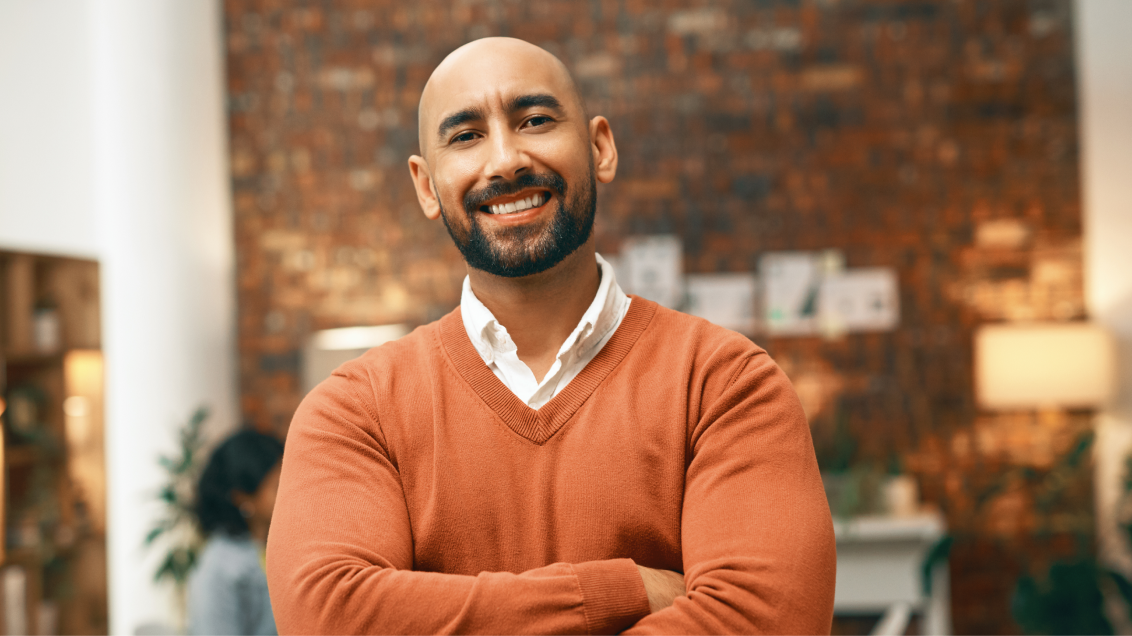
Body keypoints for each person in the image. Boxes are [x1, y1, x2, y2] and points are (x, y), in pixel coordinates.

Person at [267, 37, 836, 634]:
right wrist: (616, 591)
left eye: (535, 120)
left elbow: (769, 620)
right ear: (427, 187)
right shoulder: (356, 411)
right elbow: (327, 616)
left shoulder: (725, 384)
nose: (506, 160)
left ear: (600, 148)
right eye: (466, 136)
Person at [188, 429, 283, 636]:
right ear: (243, 498)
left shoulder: (275, 547)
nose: (290, 492)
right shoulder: (218, 571)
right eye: (278, 486)